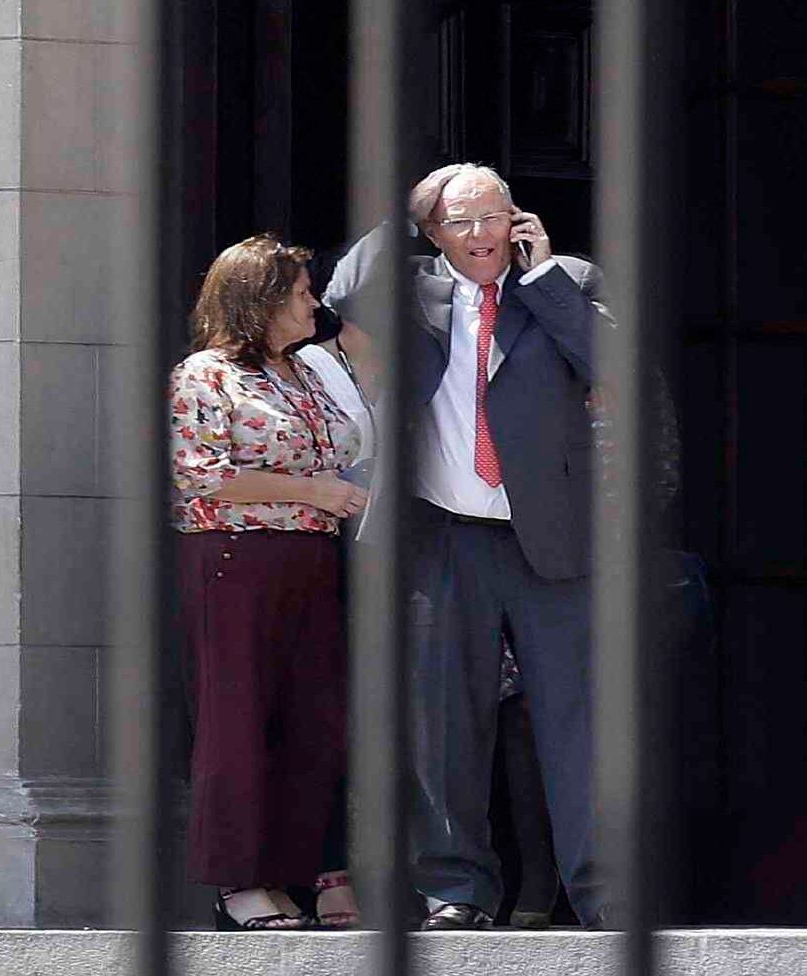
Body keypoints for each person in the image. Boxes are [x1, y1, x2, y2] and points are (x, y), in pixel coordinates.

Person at [325, 162, 615, 930]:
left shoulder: (566, 282)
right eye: (464, 222)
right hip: (440, 534)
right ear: (435, 233)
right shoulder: (411, 289)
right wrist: (409, 214)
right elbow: (342, 287)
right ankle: (456, 890)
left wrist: (542, 269)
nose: (485, 235)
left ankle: (603, 895)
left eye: (496, 216)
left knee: (577, 721)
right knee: (442, 725)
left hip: (548, 537)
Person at [170, 235, 369, 930]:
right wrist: (312, 491)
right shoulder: (206, 374)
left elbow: (348, 443)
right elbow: (200, 473)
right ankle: (239, 880)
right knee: (238, 720)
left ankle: (312, 869)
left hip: (309, 561)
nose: (314, 303)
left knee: (314, 721)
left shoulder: (306, 374)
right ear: (259, 301)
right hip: (235, 560)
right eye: (300, 293)